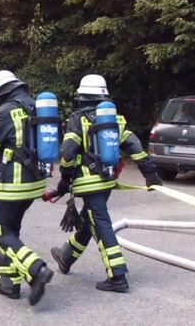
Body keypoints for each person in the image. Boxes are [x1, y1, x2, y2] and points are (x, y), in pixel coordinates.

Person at [46, 74, 162, 293]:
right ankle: (66, 255)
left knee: (100, 224)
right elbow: (135, 147)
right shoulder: (114, 119)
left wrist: (65, 178)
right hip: (107, 182)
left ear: (82, 96)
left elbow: (68, 153)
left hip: (88, 185)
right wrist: (150, 174)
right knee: (90, 219)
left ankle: (117, 276)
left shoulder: (78, 119)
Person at [0, 70, 56, 306]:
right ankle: (9, 284)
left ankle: (36, 269)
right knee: (11, 231)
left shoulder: (6, 112)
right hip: (34, 183)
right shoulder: (37, 106)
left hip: (13, 185)